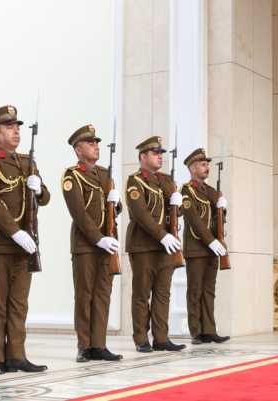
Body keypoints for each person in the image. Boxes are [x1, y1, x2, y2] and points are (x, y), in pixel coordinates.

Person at [0, 105, 50, 374]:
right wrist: (16, 232)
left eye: (17, 127)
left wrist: (39, 188)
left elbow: (46, 198)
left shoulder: (28, 162)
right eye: (9, 127)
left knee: (19, 303)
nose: (16, 131)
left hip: (24, 245)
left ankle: (17, 354)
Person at [62, 124, 123, 362]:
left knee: (103, 294)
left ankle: (99, 344)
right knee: (85, 294)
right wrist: (98, 239)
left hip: (108, 243)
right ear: (78, 150)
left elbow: (114, 209)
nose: (96, 146)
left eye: (97, 143)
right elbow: (79, 213)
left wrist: (116, 203)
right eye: (90, 143)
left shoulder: (105, 174)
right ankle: (84, 345)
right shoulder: (72, 175)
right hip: (86, 245)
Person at [125, 136, 186, 352]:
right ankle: (141, 338)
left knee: (163, 293)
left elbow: (174, 211)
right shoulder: (135, 181)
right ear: (143, 157)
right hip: (143, 245)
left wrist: (179, 202)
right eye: (155, 153)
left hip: (166, 247)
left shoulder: (166, 180)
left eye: (161, 153)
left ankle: (161, 337)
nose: (160, 157)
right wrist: (162, 235)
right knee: (142, 293)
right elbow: (141, 214)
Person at [179, 148, 230, 345]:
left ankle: (209, 329)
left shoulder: (211, 191)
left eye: (207, 164)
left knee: (209, 290)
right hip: (196, 248)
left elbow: (218, 220)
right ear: (192, 168)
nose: (207, 167)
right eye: (202, 164)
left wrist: (222, 209)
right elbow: (194, 220)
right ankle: (196, 332)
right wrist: (211, 241)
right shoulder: (186, 191)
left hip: (212, 249)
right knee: (195, 290)